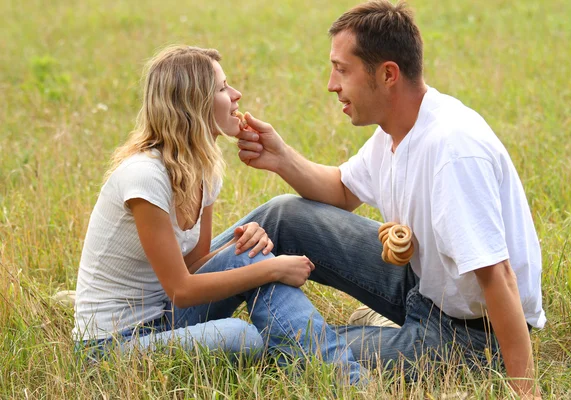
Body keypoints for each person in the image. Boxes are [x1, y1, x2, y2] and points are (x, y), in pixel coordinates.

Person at [232, 1, 544, 397]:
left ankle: (210, 335)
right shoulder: (396, 130)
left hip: (473, 337)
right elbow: (343, 191)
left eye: (342, 70)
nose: (331, 84)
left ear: (388, 74)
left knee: (291, 351)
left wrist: (525, 391)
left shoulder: (452, 149)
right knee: (282, 216)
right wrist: (281, 158)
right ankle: (181, 303)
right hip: (422, 286)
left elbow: (497, 276)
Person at [72, 45, 365, 384]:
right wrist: (271, 268)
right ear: (193, 103)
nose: (237, 95)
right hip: (112, 350)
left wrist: (242, 246)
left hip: (166, 319)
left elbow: (195, 266)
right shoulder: (144, 176)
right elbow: (182, 289)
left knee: (248, 253)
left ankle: (344, 379)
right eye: (223, 88)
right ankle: (337, 375)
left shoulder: (204, 171)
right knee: (242, 336)